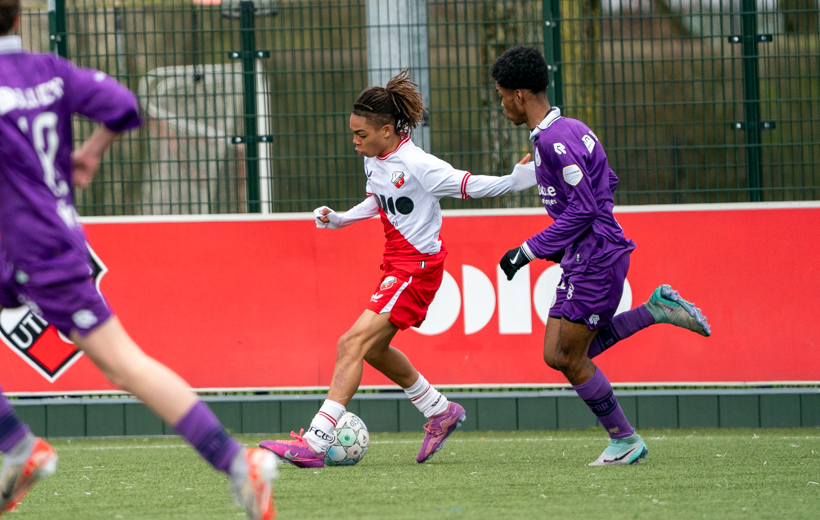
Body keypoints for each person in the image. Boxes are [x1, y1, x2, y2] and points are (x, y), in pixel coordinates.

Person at [0, 0, 277, 520]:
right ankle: (19, 447)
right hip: (20, 247)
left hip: (44, 253)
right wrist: (92, 151)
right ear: (18, 18)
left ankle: (240, 462)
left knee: (126, 367)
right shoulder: (49, 69)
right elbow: (125, 106)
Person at [259, 70, 537, 467]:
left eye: (361, 135)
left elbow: (470, 184)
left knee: (349, 344)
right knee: (372, 350)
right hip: (396, 264)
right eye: (352, 133)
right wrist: (341, 219)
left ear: (387, 130)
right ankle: (439, 410)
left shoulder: (418, 163)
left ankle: (316, 444)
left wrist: (516, 180)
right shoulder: (377, 159)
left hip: (417, 269)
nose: (354, 142)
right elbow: (379, 200)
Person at [492, 45, 710, 466]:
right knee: (556, 355)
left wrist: (528, 250)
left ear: (519, 95)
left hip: (596, 261)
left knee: (571, 359)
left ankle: (625, 440)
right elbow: (606, 180)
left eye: (502, 95)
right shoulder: (568, 129)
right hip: (585, 258)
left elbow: (585, 206)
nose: (501, 104)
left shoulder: (555, 140)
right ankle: (655, 310)